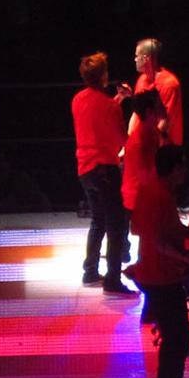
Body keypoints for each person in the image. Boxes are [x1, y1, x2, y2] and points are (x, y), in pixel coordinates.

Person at [129, 143, 189, 378]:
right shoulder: (161, 195)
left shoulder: (149, 190)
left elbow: (137, 228)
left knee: (174, 339)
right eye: (183, 166)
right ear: (177, 168)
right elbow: (157, 239)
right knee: (178, 340)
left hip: (151, 272)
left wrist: (183, 232)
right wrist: (184, 256)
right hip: (162, 276)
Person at [72, 51, 133, 294]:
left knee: (98, 220)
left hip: (85, 168)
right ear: (104, 76)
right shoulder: (109, 107)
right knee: (116, 224)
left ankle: (90, 271)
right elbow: (120, 139)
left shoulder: (78, 99)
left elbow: (97, 117)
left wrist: (118, 99)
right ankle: (113, 280)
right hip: (105, 168)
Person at [122, 37, 182, 213]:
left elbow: (166, 121)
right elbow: (136, 114)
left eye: (136, 56)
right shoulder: (141, 80)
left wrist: (147, 145)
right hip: (144, 147)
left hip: (163, 149)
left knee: (162, 199)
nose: (134, 59)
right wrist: (129, 143)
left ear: (146, 58)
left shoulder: (170, 84)